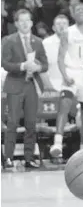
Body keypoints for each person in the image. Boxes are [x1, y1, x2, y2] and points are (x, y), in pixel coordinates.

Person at [1, 9, 48, 169]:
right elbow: (4, 63)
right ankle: (8, 158)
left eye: (27, 20)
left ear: (32, 23)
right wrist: (22, 65)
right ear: (16, 23)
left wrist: (37, 67)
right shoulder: (9, 40)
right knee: (12, 123)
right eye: (21, 21)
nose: (25, 23)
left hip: (32, 86)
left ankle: (29, 158)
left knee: (31, 123)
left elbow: (45, 64)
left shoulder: (38, 41)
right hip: (15, 84)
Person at [49, 3, 83, 157]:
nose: (81, 12)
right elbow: (60, 58)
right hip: (71, 72)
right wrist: (64, 76)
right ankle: (57, 143)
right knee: (64, 104)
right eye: (78, 10)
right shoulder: (67, 32)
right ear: (73, 15)